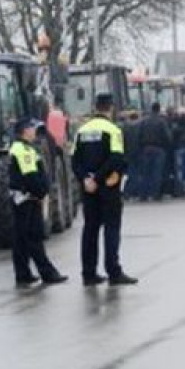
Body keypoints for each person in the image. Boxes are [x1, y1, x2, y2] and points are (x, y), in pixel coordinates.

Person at [71, 93, 137, 286]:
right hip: (108, 187)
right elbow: (116, 158)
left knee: (90, 229)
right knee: (111, 228)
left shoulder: (81, 131)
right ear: (110, 108)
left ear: (95, 107)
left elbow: (75, 160)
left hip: (88, 188)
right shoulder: (113, 130)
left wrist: (86, 178)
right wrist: (99, 178)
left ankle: (88, 273)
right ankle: (113, 271)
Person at [8, 119, 68, 288]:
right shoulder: (23, 150)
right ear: (25, 131)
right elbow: (31, 176)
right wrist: (41, 192)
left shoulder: (23, 148)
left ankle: (23, 274)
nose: (35, 132)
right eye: (32, 129)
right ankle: (48, 273)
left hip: (24, 198)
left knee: (21, 239)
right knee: (34, 237)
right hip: (27, 199)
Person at [137, 102, 172, 201]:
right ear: (159, 109)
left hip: (146, 148)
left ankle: (143, 195)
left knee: (145, 172)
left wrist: (141, 147)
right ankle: (155, 195)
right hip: (159, 149)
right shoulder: (161, 121)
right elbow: (167, 136)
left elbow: (138, 136)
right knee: (157, 172)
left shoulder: (143, 121)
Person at [121, 110, 143, 200]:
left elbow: (123, 140)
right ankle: (135, 191)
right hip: (139, 152)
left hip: (128, 153)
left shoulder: (125, 127)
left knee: (131, 173)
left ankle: (128, 192)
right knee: (139, 173)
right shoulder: (140, 126)